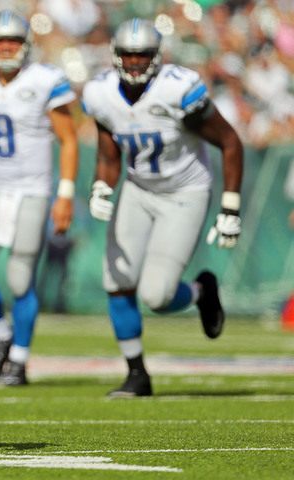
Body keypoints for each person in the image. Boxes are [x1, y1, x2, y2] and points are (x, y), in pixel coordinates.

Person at [81, 18, 244, 397]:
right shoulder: (100, 93)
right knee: (116, 281)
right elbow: (109, 152)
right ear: (115, 56)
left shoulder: (178, 90)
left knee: (157, 296)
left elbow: (230, 142)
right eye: (128, 54)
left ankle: (201, 291)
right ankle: (136, 373)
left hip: (184, 192)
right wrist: (102, 186)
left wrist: (230, 207)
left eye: (143, 54)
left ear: (157, 56)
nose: (135, 62)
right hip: (138, 188)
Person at [0, 10, 79, 386]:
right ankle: (2, 336)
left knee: (21, 278)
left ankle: (19, 361)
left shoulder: (46, 79)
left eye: (14, 41)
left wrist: (65, 195)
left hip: (32, 190)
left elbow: (69, 139)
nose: (6, 47)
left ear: (26, 45)